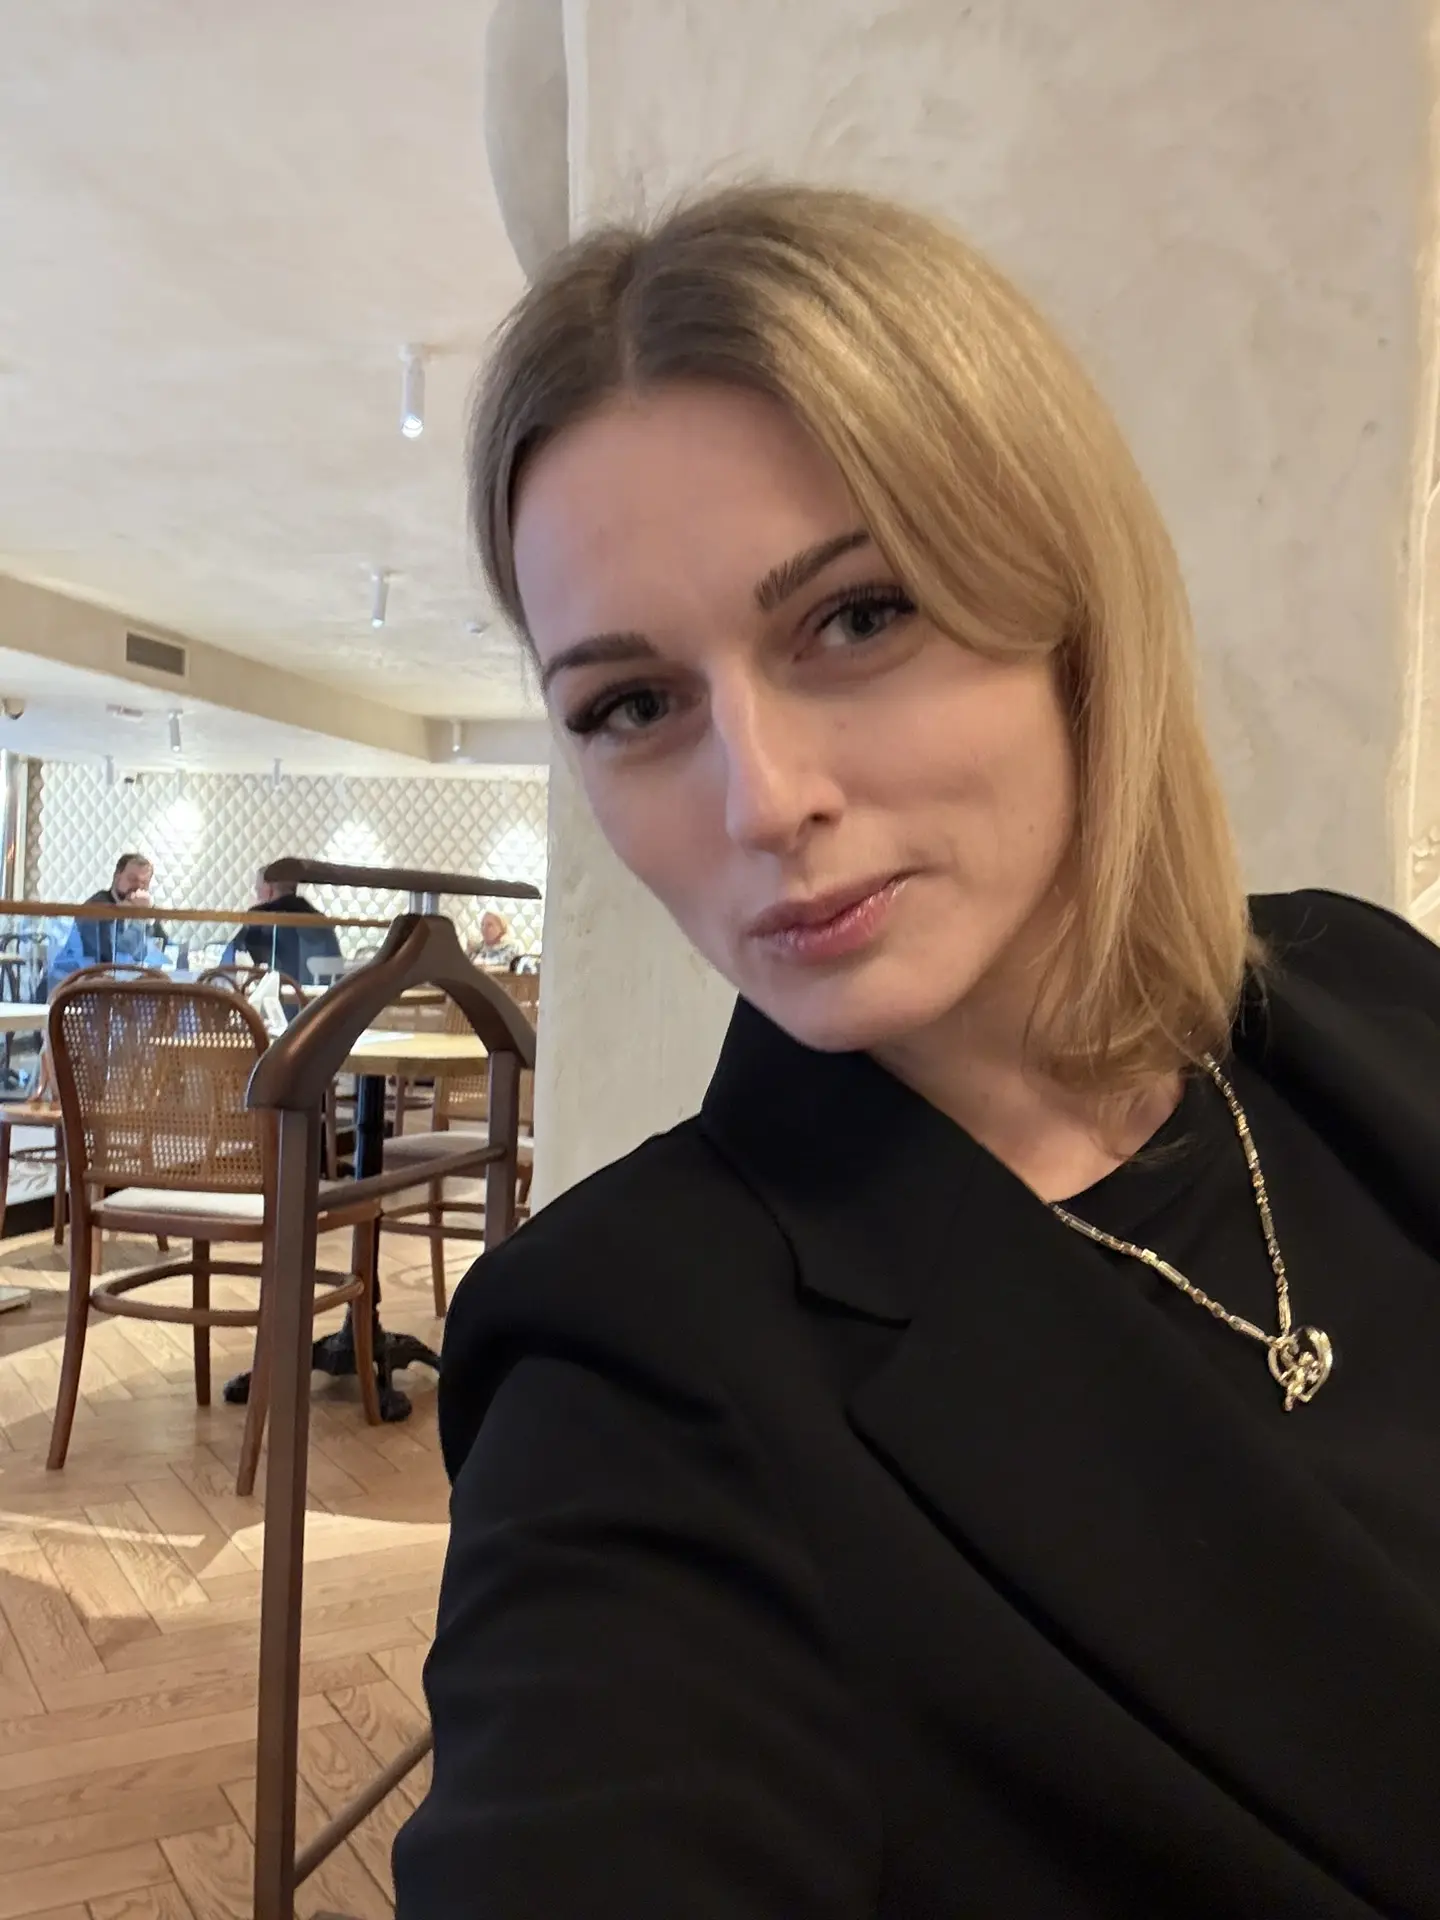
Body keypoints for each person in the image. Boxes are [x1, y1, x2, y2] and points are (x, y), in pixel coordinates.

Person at [393, 185, 1440, 1920]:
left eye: (858, 617)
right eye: (633, 706)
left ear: (1070, 602)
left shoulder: (1366, 989)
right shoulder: (631, 1374)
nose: (764, 799)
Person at [46, 852, 165, 994]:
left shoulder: (145, 908)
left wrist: (147, 917)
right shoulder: (97, 905)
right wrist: (128, 915)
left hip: (116, 990)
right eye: (132, 879)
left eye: (144, 883)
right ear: (117, 877)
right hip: (68, 990)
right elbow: (107, 956)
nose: (138, 887)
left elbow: (162, 947)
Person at [223, 869, 342, 986]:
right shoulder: (320, 919)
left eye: (258, 887)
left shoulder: (260, 918)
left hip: (273, 995)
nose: (256, 890)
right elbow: (336, 966)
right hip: (322, 996)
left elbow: (232, 961)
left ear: (269, 888)